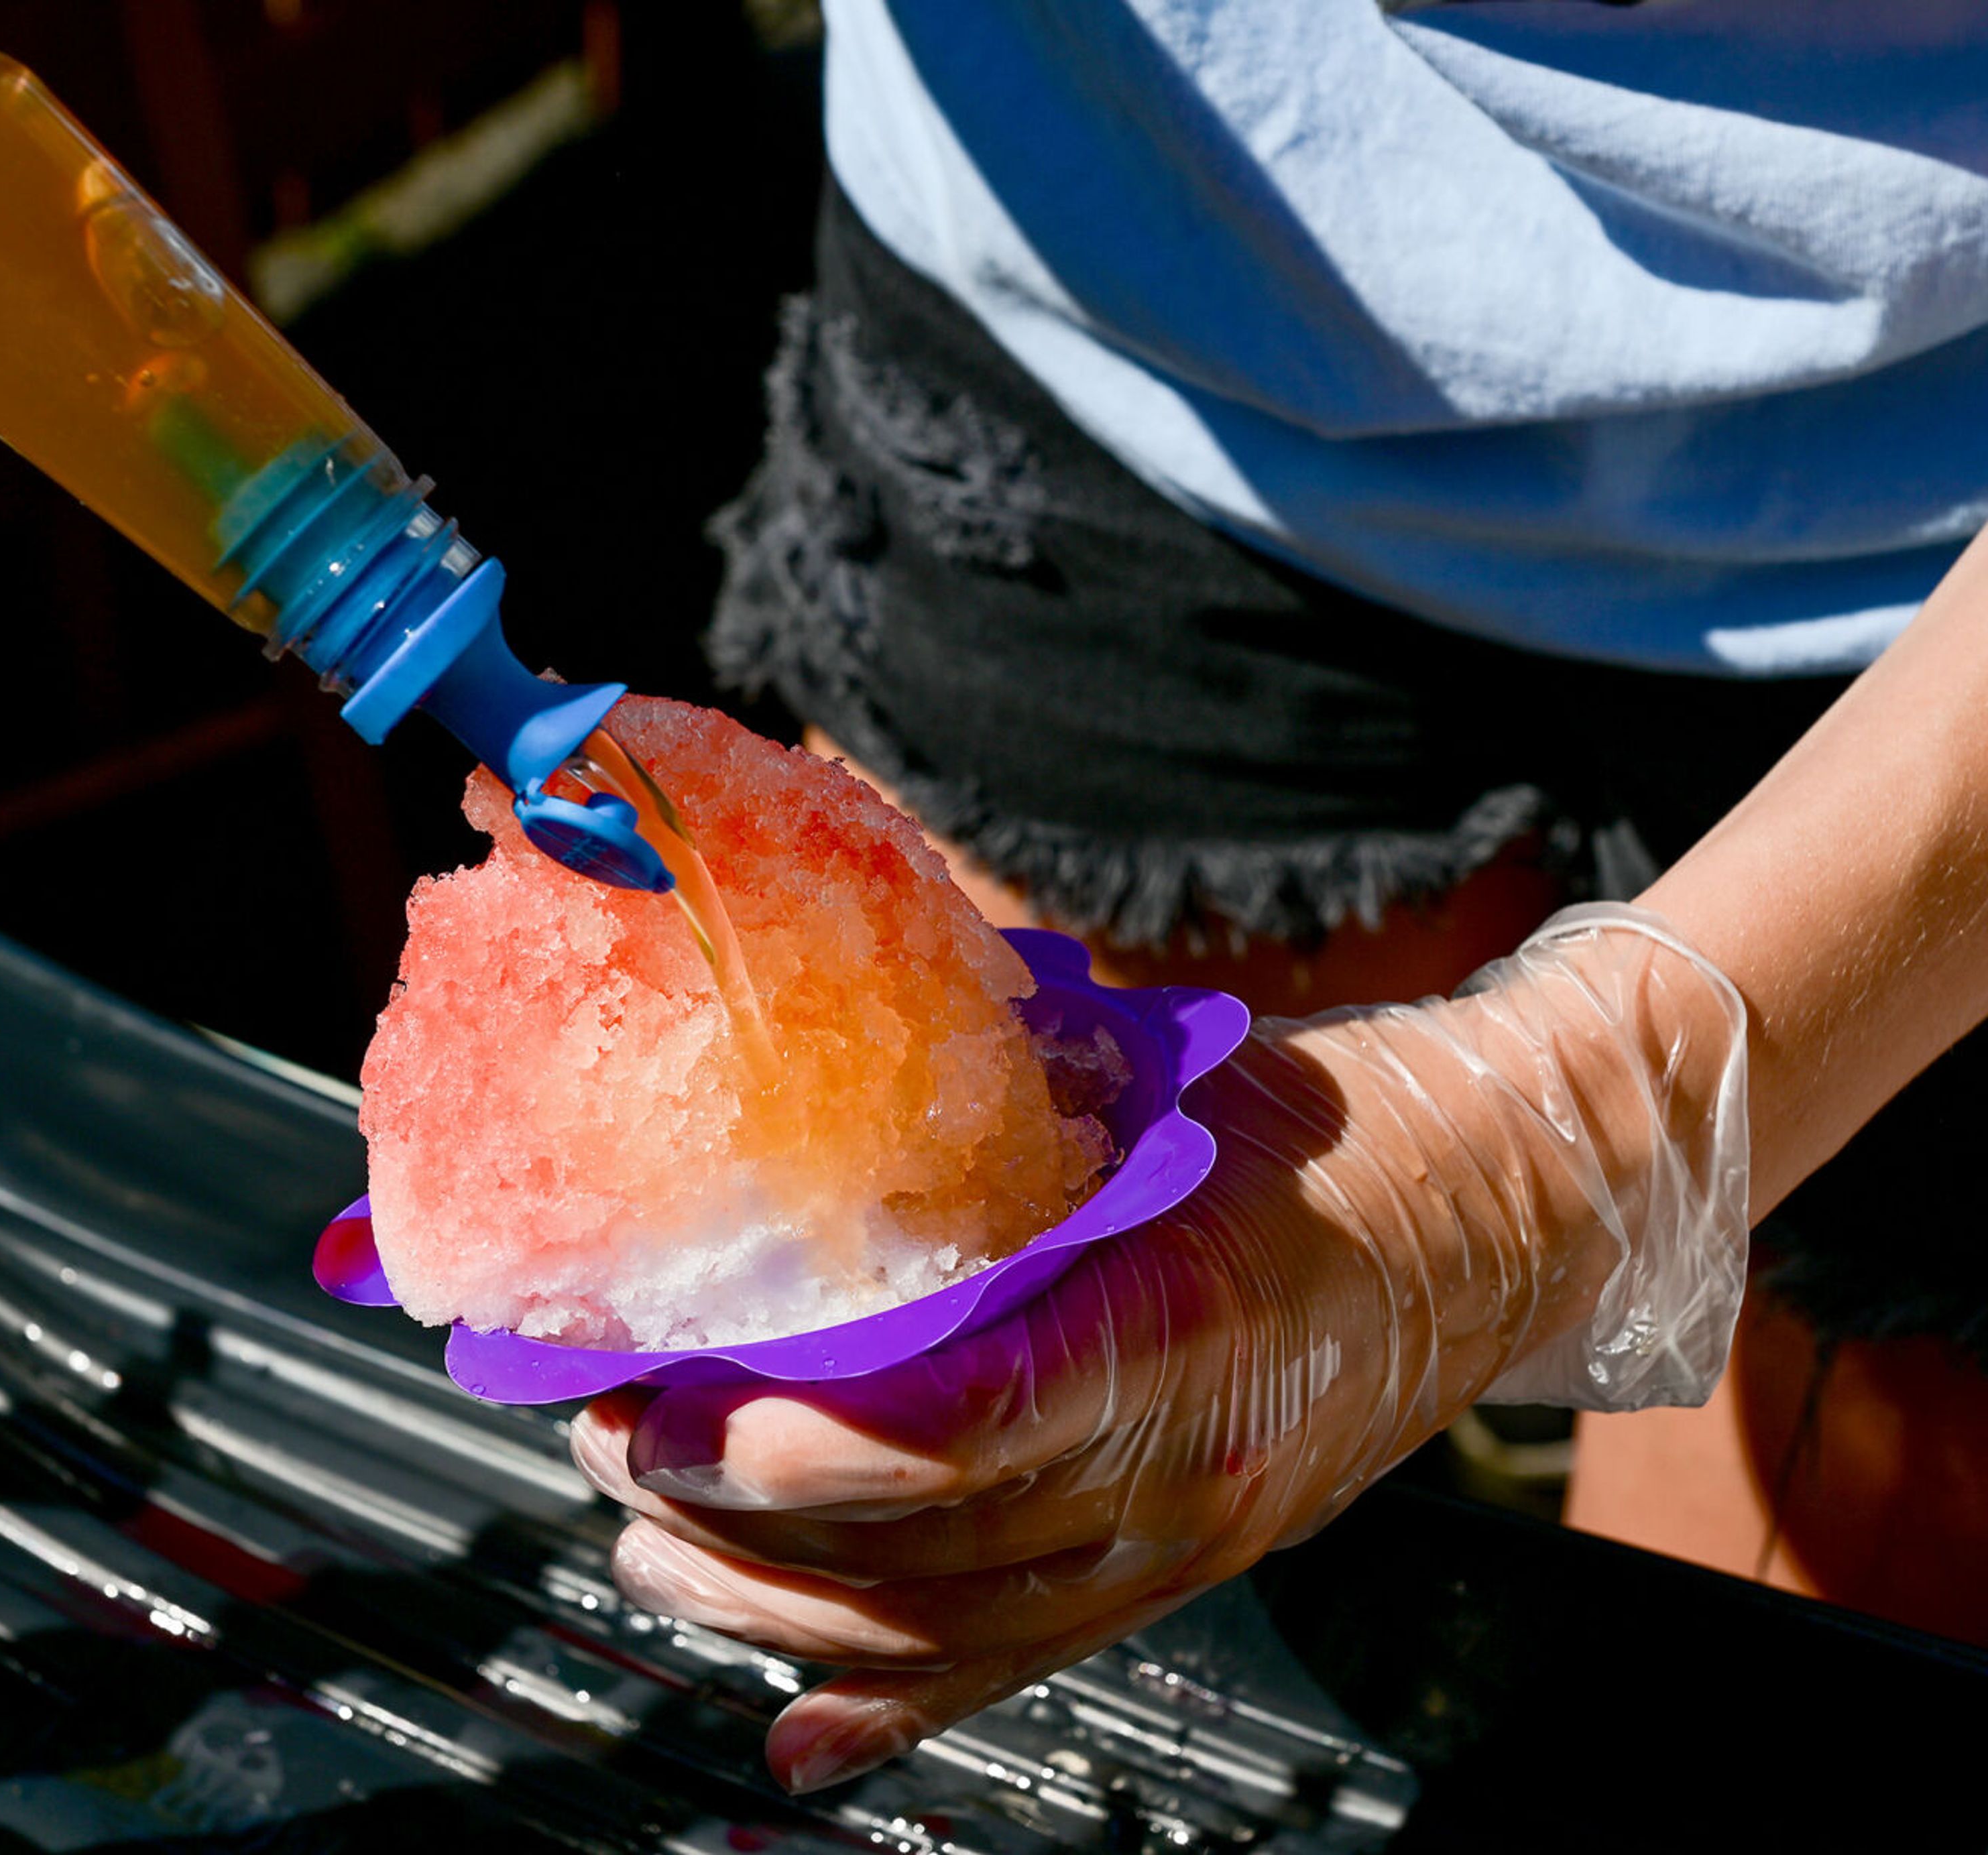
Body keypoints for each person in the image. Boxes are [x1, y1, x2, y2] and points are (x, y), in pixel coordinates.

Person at [570, 0, 1988, 1793]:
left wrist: (1555, 1152)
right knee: (1048, 1564)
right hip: (1115, 330)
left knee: (1761, 1708)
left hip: (1930, 531)